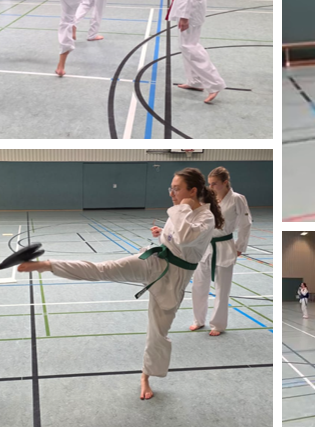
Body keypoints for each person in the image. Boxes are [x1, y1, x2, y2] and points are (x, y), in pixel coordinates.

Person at [19, 168, 222, 400]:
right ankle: (47, 265)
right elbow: (175, 238)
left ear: (192, 191)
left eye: (176, 189)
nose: (171, 193)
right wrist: (161, 233)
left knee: (157, 333)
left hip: (173, 280)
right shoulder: (180, 211)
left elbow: (186, 239)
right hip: (154, 261)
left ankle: (146, 376)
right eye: (171, 188)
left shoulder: (205, 218)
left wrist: (182, 208)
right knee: (103, 269)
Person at [189, 166, 251, 335]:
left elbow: (245, 224)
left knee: (222, 289)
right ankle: (198, 320)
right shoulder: (206, 198)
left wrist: (240, 246)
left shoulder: (237, 199)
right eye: (209, 183)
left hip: (224, 245)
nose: (211, 187)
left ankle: (218, 325)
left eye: (214, 183)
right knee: (198, 286)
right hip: (204, 246)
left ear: (225, 182)